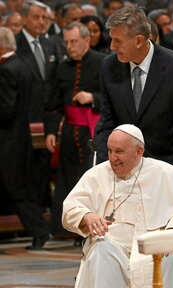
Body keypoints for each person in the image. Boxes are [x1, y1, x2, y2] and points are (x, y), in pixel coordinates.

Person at [62, 124, 173, 288]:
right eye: (110, 151)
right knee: (100, 253)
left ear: (139, 151)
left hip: (153, 244)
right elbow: (70, 207)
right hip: (111, 243)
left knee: (166, 259)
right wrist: (87, 216)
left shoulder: (166, 173)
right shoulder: (96, 175)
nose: (112, 158)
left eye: (119, 151)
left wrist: (170, 233)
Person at [95, 6, 173, 195]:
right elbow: (106, 123)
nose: (112, 47)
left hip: (171, 171)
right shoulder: (108, 66)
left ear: (139, 40)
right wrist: (107, 167)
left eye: (117, 41)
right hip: (125, 174)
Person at [44, 22, 105, 236]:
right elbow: (53, 103)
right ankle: (67, 229)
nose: (69, 47)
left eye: (74, 42)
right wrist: (51, 131)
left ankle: (93, 225)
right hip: (70, 133)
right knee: (68, 180)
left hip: (93, 132)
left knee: (91, 178)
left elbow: (112, 97)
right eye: (67, 42)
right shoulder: (61, 67)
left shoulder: (102, 63)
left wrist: (92, 98)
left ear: (87, 41)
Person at [0, 26, 50, 250]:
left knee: (16, 190)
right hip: (25, 138)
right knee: (21, 188)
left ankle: (39, 231)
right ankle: (39, 231)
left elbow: (6, 109)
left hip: (9, 141)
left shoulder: (6, 70)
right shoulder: (24, 65)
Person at [16, 1, 59, 209]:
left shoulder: (52, 44)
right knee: (26, 167)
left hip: (48, 116)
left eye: (45, 18)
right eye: (36, 17)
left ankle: (43, 209)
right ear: (24, 18)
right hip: (22, 117)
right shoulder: (14, 44)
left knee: (43, 164)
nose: (41, 22)